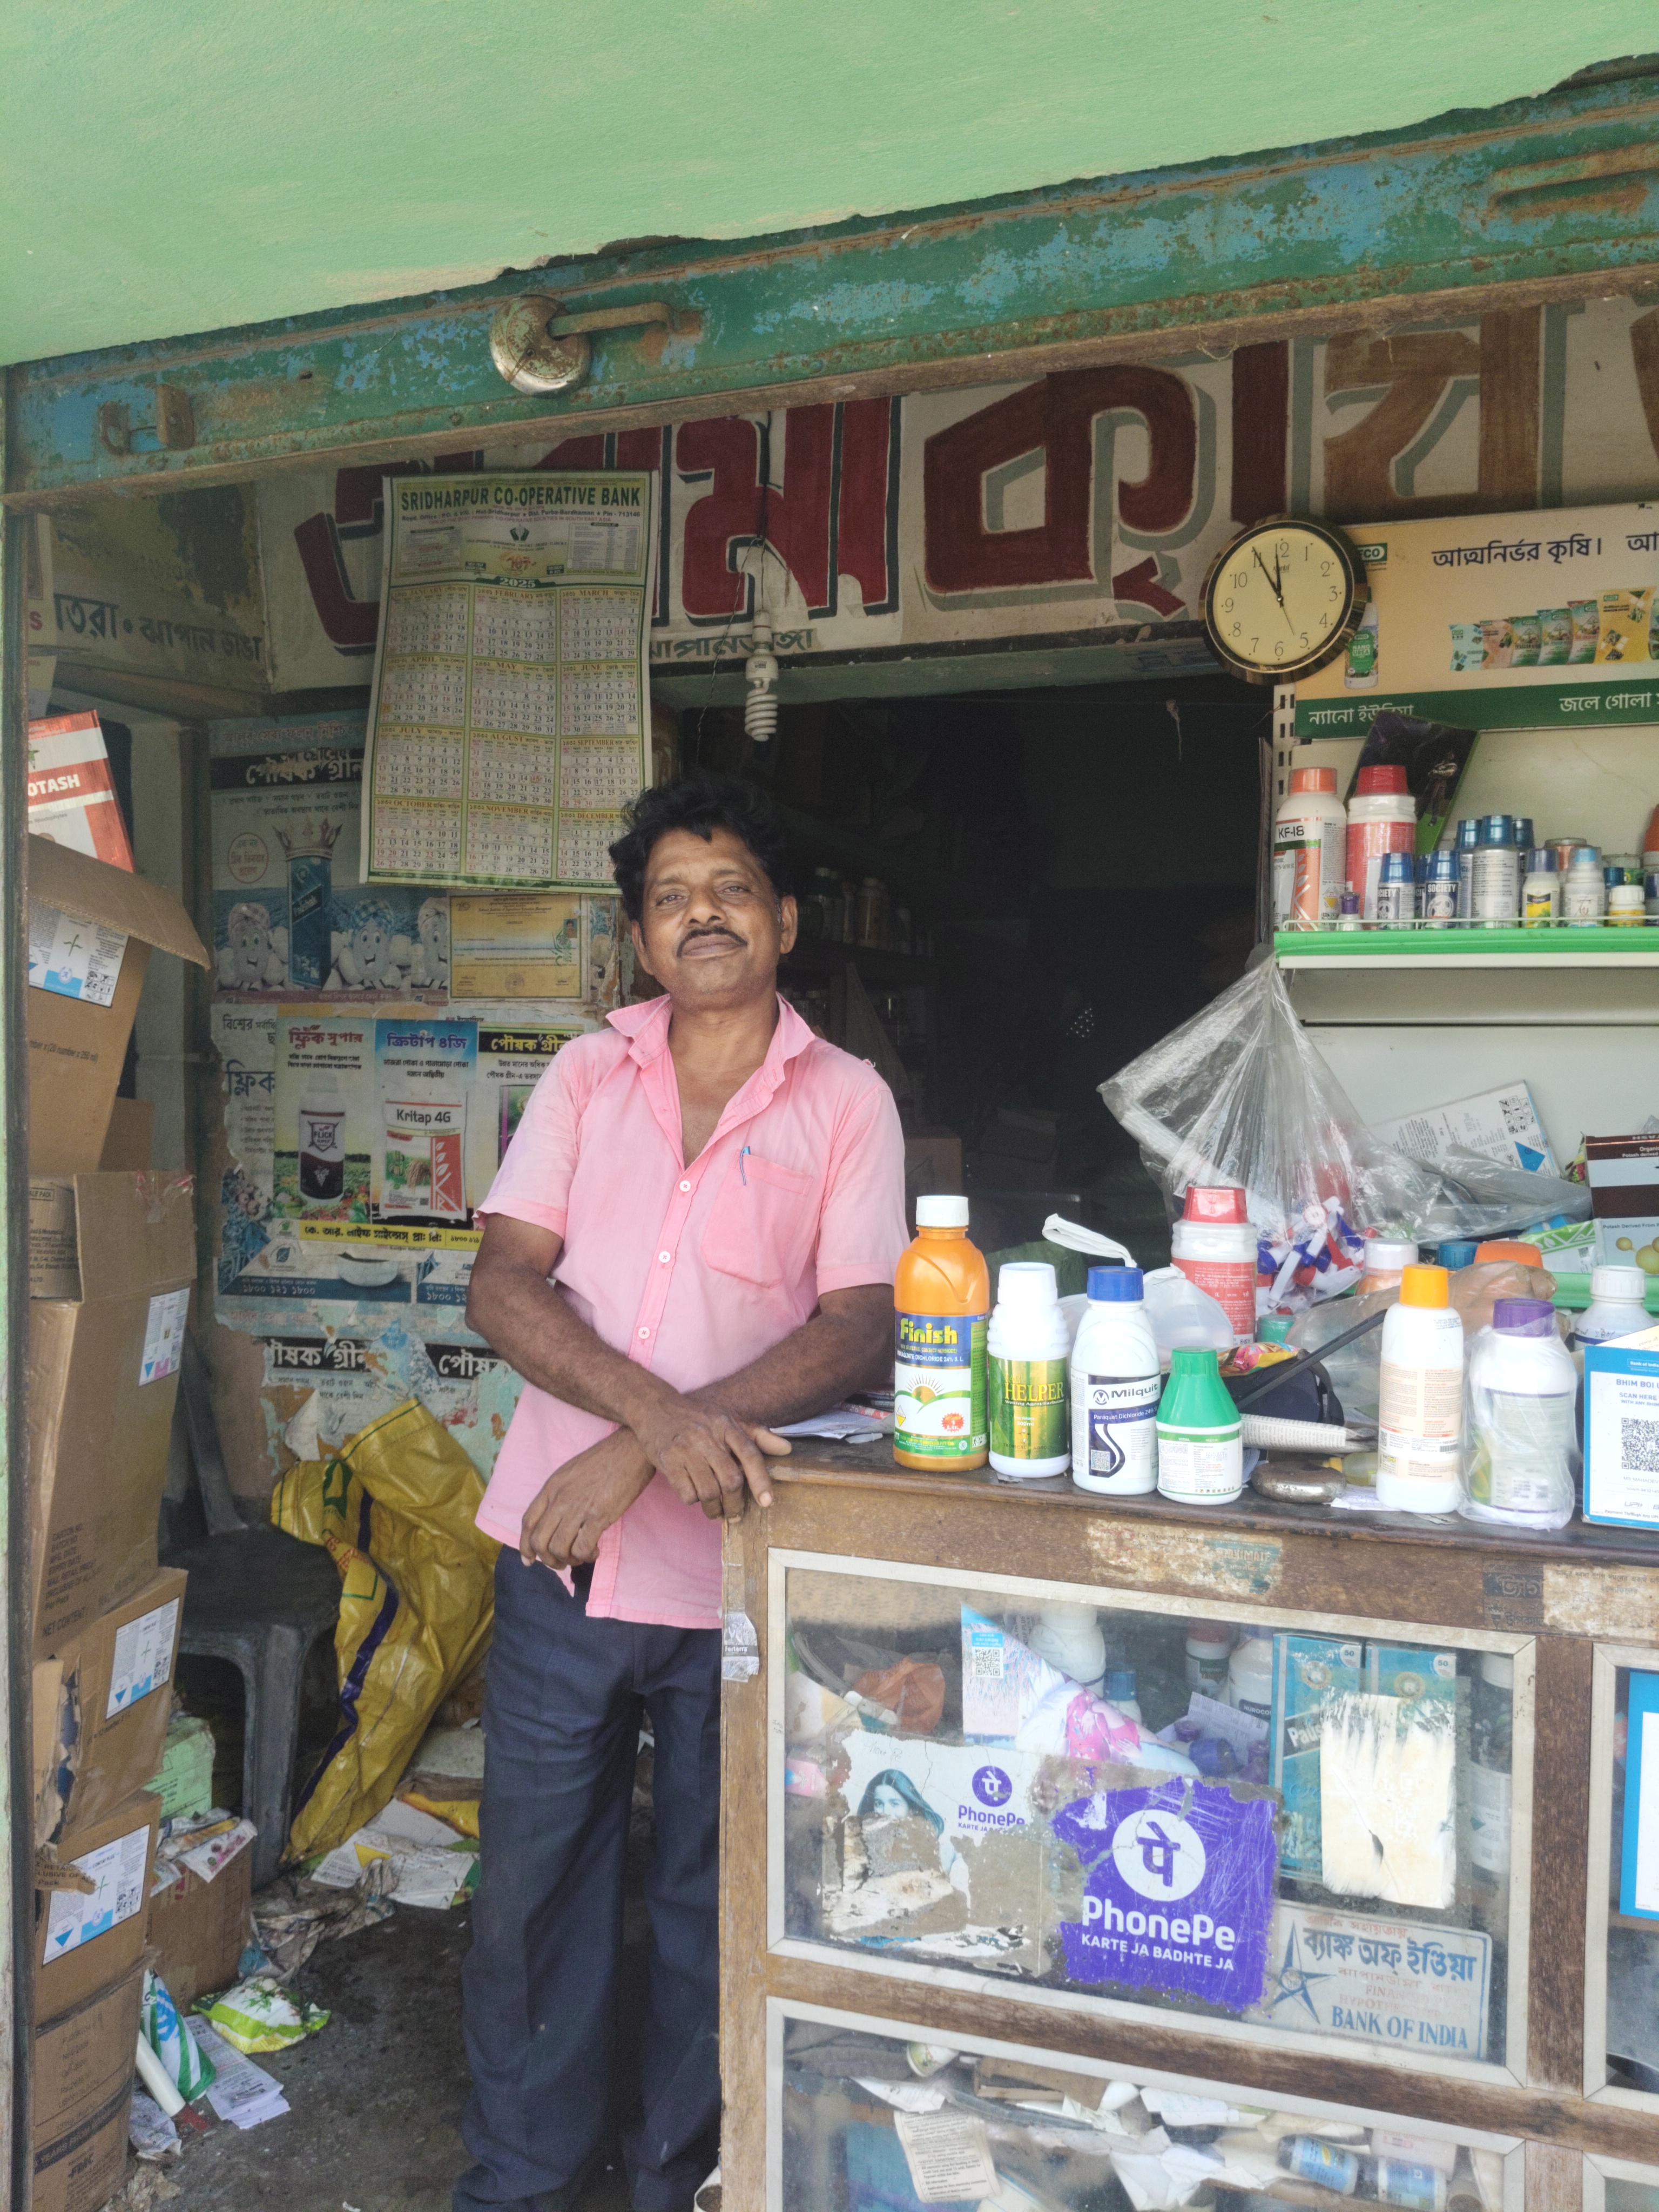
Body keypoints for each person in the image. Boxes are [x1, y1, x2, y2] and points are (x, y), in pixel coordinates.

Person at [455, 771, 908, 2212]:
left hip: (741, 1566)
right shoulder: (588, 1076)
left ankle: (678, 2176)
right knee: (536, 1887)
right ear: (641, 938)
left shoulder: (848, 1099)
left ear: (785, 920)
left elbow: (859, 1326)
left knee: (718, 1895)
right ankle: (524, 2177)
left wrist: (643, 1448)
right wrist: (652, 1419)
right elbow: (501, 1284)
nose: (702, 914)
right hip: (566, 1556)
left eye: (730, 890)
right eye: (671, 897)